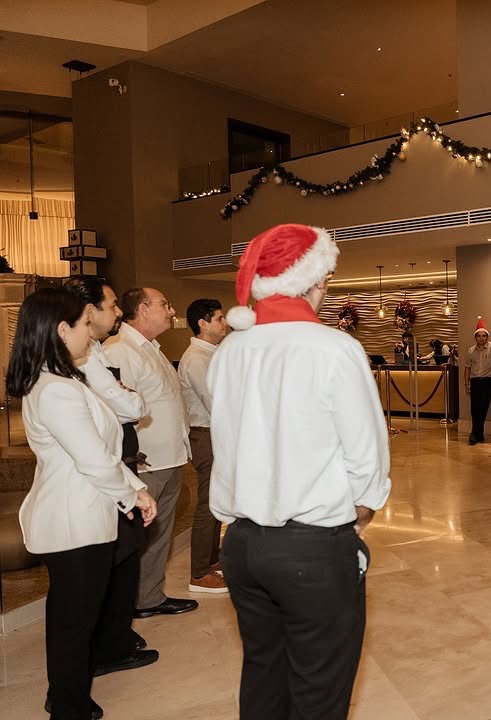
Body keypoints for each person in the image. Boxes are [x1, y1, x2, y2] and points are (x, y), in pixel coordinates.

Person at [209, 223, 390, 720]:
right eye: (326, 278)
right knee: (319, 689)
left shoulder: (229, 352)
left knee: (265, 672)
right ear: (312, 281)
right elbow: (365, 454)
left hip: (242, 545)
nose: (327, 288)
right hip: (311, 548)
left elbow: (224, 442)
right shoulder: (333, 348)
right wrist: (362, 508)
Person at [9, 288, 157, 720]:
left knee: (74, 619)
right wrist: (133, 493)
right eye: (83, 325)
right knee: (75, 624)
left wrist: (134, 488)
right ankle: (68, 706)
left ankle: (67, 696)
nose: (90, 335)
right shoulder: (55, 388)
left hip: (84, 510)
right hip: (73, 517)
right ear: (62, 329)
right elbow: (94, 461)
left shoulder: (64, 380)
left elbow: (100, 453)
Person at [61, 277, 159, 678]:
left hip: (117, 455)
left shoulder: (96, 350)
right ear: (88, 311)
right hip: (107, 462)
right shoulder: (81, 360)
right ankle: (110, 643)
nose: (118, 311)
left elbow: (128, 403)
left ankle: (116, 634)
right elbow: (127, 404)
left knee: (125, 552)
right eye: (112, 305)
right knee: (117, 555)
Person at [103, 288, 197, 619]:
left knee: (158, 537)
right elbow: (114, 410)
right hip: (144, 463)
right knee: (133, 542)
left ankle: (149, 598)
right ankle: (124, 609)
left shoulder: (151, 349)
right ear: (143, 309)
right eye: (164, 304)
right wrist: (131, 461)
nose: (171, 311)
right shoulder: (119, 351)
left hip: (169, 456)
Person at [179, 298, 229, 594]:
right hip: (206, 434)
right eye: (220, 318)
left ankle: (212, 560)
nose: (225, 323)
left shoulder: (212, 354)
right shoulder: (197, 359)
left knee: (217, 501)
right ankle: (199, 572)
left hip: (216, 433)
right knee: (208, 504)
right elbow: (217, 404)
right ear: (203, 323)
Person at [463, 317, 491, 445]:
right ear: (475, 337)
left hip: (488, 382)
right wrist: (466, 384)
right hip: (475, 382)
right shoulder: (470, 350)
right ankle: (478, 434)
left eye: (484, 336)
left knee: (483, 408)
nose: (481, 338)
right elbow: (467, 368)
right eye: (479, 336)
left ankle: (475, 434)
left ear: (487, 336)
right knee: (474, 409)